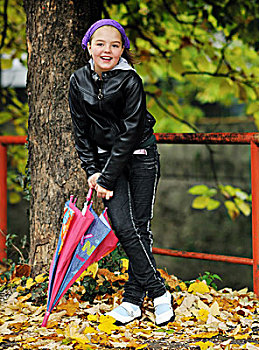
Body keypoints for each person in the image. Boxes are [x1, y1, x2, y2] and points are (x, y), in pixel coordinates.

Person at [69, 19, 174, 326]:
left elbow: (129, 135)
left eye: (115, 45)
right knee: (124, 228)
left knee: (137, 229)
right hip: (106, 167)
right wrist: (92, 170)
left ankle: (131, 301)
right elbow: (80, 131)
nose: (107, 50)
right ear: (89, 46)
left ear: (122, 50)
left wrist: (106, 178)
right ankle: (158, 293)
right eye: (100, 43)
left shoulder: (130, 82)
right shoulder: (78, 80)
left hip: (141, 158)